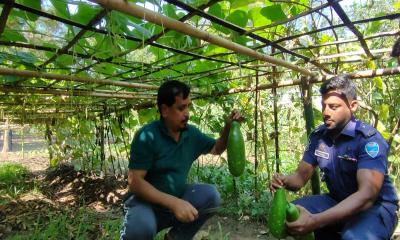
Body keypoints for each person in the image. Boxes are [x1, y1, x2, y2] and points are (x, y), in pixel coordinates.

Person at [270, 75, 398, 239]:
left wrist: (315, 221)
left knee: (353, 238)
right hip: (338, 201)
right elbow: (299, 179)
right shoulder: (319, 137)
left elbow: (367, 196)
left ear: (353, 106)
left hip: (375, 207)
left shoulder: (368, 140)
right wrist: (283, 180)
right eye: (324, 106)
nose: (325, 112)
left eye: (333, 107)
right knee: (292, 213)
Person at [120, 80, 243, 240]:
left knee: (211, 196)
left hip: (173, 200)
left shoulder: (191, 134)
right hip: (144, 205)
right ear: (164, 110)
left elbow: (217, 148)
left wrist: (228, 127)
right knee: (139, 231)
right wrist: (174, 203)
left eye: (188, 106)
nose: (187, 113)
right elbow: (134, 182)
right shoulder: (147, 136)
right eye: (181, 108)